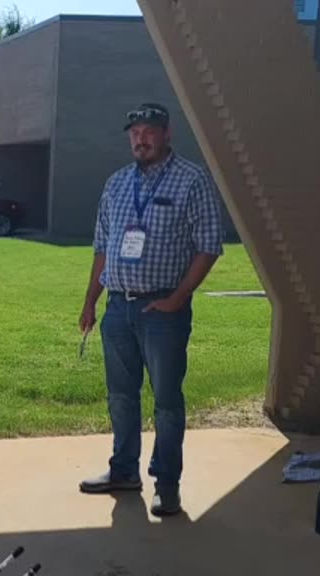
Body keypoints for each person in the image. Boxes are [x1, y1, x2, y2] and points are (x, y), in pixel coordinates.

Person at [77, 102, 224, 516]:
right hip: (118, 310)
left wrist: (178, 298)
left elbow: (210, 245)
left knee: (166, 401)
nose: (140, 138)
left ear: (166, 134)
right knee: (121, 397)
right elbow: (102, 248)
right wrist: (91, 301)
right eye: (135, 132)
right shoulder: (117, 184)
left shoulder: (191, 180)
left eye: (149, 131)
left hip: (163, 312)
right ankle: (123, 470)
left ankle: (167, 483)